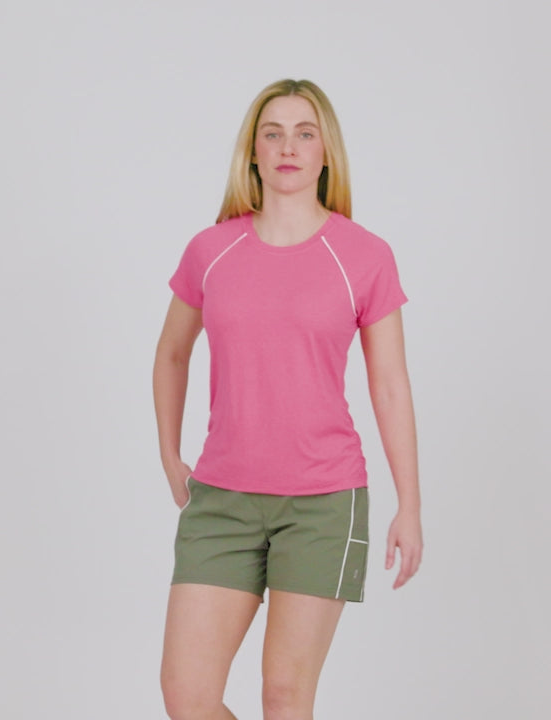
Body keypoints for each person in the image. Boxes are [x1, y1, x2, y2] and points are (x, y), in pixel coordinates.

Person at [152, 78, 423, 720]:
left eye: (305, 133)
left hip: (324, 502)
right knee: (187, 696)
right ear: (253, 151)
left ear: (327, 151)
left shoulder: (364, 255)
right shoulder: (211, 250)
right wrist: (169, 454)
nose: (288, 147)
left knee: (284, 695)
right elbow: (171, 353)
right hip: (221, 502)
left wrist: (409, 505)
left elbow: (389, 384)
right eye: (272, 134)